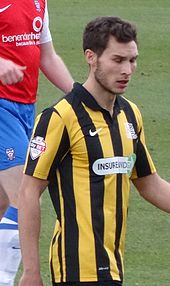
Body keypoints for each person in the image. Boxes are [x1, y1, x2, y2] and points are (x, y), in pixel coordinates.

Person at [18, 16, 170, 286]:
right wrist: (31, 272)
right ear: (91, 57)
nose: (127, 70)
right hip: (74, 269)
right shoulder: (59, 117)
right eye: (118, 60)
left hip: (114, 266)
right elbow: (29, 191)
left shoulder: (130, 115)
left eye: (132, 60)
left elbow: (150, 184)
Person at [0, 0, 74, 285]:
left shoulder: (38, 1)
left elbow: (47, 56)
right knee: (23, 194)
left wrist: (80, 96)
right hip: (2, 108)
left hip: (25, 108)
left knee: (4, 203)